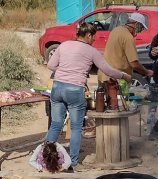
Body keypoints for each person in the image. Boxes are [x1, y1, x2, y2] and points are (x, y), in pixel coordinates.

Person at [47, 23, 132, 168]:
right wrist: (124, 75)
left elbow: (50, 65)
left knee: (55, 125)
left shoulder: (64, 45)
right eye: (94, 37)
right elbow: (108, 70)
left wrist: (65, 71)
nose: (94, 40)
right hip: (74, 90)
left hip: (57, 87)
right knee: (75, 127)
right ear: (88, 35)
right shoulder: (91, 51)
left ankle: (46, 159)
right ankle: (73, 162)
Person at [98, 12, 153, 104]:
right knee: (117, 109)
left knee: (107, 107)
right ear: (136, 24)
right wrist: (147, 72)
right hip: (115, 80)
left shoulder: (117, 30)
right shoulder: (128, 37)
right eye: (141, 28)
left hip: (104, 75)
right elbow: (134, 63)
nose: (140, 31)